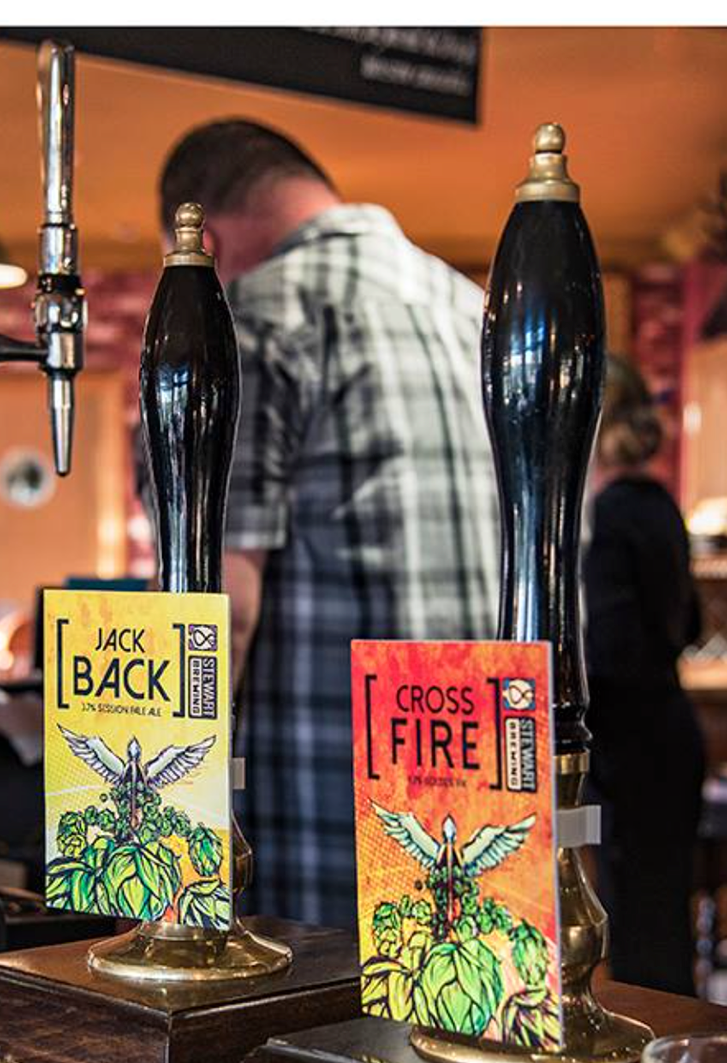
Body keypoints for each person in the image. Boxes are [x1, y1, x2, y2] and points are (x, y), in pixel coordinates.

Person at [155, 119, 500, 925]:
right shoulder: (472, 310)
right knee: (449, 1041)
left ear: (205, 235)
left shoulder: (247, 316)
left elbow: (216, 608)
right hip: (480, 818)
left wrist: (158, 866)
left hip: (318, 858)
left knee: (317, 1053)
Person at [581, 355, 705, 996]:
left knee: (634, 940)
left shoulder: (607, 515)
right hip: (671, 730)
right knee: (664, 927)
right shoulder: (660, 504)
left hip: (627, 744)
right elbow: (690, 627)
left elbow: (610, 648)